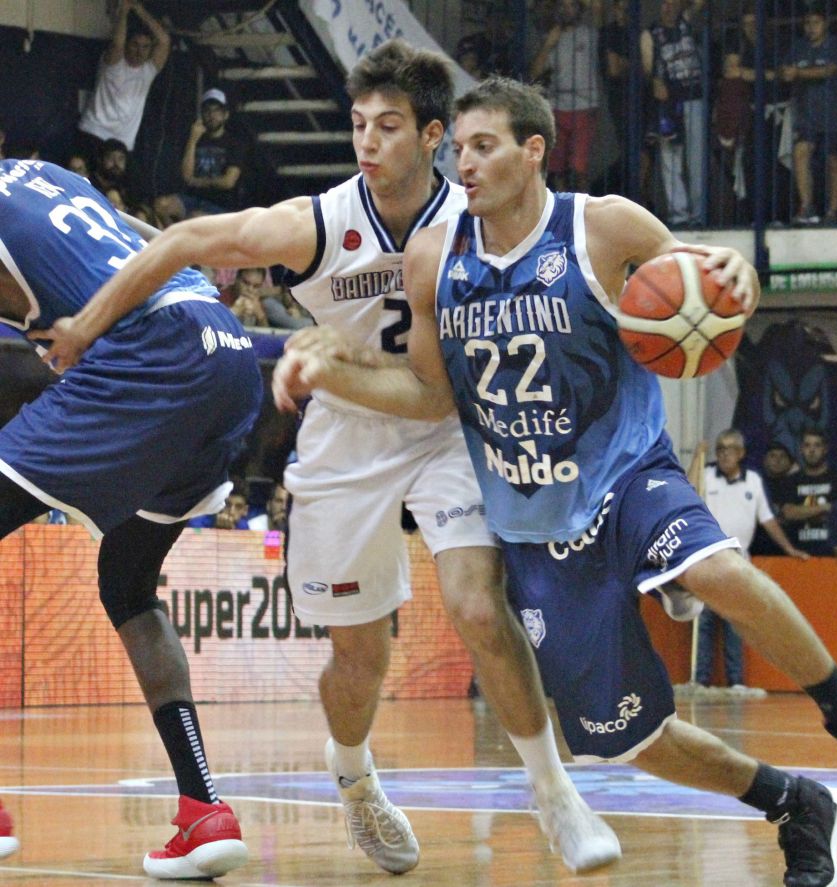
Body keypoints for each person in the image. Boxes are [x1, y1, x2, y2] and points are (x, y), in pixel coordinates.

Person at [277, 75, 837, 887]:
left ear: (535, 150)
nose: (466, 164)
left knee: (716, 569)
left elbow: (710, 285)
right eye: (459, 149)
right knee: (627, 739)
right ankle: (794, 802)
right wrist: (332, 373)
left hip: (627, 471)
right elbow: (432, 395)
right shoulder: (434, 257)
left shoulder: (602, 225)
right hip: (534, 519)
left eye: (484, 146)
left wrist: (739, 273)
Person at [65, 41, 620, 876]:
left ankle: (554, 793)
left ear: (432, 135)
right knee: (359, 657)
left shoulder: (472, 220)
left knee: (478, 605)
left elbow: (447, 382)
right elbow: (184, 240)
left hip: (445, 427)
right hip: (346, 440)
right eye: (358, 124)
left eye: (388, 126)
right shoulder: (319, 223)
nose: (367, 141)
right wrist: (84, 325)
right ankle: (355, 775)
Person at [0, 158, 257, 878]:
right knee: (128, 582)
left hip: (152, 348)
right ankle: (204, 809)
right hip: (225, 345)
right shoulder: (45, 175)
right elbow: (143, 233)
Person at [688, 431, 807, 696]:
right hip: (706, 560)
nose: (724, 454)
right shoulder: (707, 475)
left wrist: (789, 549)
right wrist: (697, 457)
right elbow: (688, 491)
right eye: (720, 449)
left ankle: (736, 682)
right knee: (704, 622)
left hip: (738, 564)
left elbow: (768, 519)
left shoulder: (753, 480)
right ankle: (700, 681)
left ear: (741, 453)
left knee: (735, 623)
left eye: (730, 449)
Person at [77, 0, 171, 160]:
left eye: (145, 47)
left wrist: (139, 9)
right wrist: (124, 12)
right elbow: (117, 43)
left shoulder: (148, 70)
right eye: (135, 45)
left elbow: (164, 41)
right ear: (127, 44)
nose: (139, 51)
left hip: (123, 141)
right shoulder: (114, 63)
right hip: (94, 131)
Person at [528, 0, 604, 193]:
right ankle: (564, 205)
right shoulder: (552, 37)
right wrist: (548, 45)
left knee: (579, 168)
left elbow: (598, 9)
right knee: (557, 169)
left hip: (585, 106)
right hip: (558, 107)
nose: (567, 10)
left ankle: (582, 205)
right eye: (563, 5)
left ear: (579, 9)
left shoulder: (589, 34)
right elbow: (534, 73)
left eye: (572, 5)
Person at [781, 5, 837, 225]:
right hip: (805, 113)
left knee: (835, 161)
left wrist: (798, 73)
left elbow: (831, 69)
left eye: (816, 22)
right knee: (801, 152)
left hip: (834, 112)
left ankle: (833, 211)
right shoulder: (798, 47)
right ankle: (807, 206)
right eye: (807, 23)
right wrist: (786, 74)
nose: (811, 27)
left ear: (825, 23)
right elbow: (784, 71)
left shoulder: (836, 44)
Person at [648, 0, 707, 226]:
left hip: (693, 97)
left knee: (696, 158)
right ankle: (679, 214)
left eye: (673, 2)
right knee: (670, 158)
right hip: (668, 103)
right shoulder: (652, 33)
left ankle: (698, 215)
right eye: (665, 2)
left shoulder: (686, 23)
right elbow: (648, 69)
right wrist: (655, 82)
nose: (669, 7)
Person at [153, 89, 246, 227]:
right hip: (193, 199)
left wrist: (197, 182)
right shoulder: (195, 139)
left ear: (225, 115)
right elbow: (186, 176)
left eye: (217, 111)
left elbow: (228, 182)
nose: (211, 115)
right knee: (161, 205)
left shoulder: (234, 143)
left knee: (194, 217)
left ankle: (180, 237)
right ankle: (172, 236)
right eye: (207, 111)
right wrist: (193, 140)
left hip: (220, 205)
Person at [781, 428, 837, 556]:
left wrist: (803, 512)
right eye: (807, 445)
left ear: (825, 449)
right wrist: (824, 507)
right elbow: (789, 513)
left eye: (817, 445)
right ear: (801, 449)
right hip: (799, 554)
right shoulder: (791, 481)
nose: (812, 450)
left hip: (832, 555)